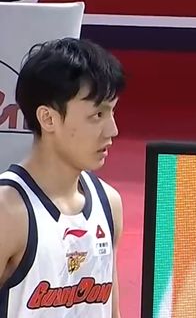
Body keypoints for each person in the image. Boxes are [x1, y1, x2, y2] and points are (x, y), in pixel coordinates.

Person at [0, 38, 125, 317]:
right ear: (48, 119)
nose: (112, 130)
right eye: (97, 115)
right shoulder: (7, 212)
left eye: (113, 112)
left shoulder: (109, 204)